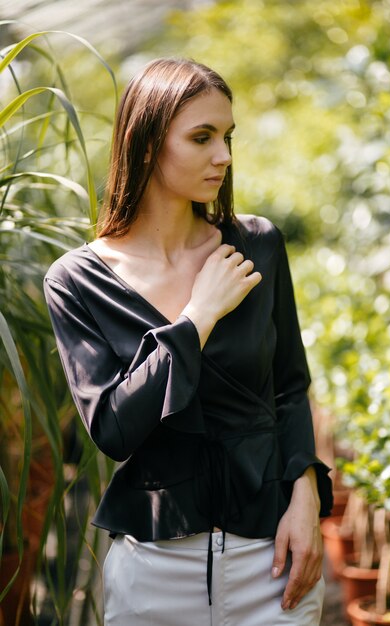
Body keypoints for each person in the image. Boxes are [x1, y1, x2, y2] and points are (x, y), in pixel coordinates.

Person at [44, 57, 333, 625]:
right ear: (147, 143)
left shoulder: (258, 246)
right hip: (154, 571)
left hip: (273, 559)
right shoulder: (77, 280)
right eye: (202, 137)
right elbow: (114, 429)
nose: (223, 155)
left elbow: (291, 388)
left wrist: (307, 500)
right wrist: (197, 317)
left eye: (227, 136)